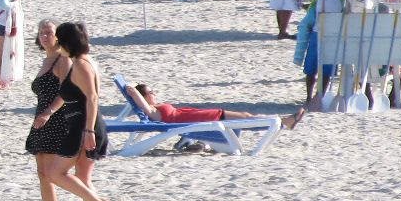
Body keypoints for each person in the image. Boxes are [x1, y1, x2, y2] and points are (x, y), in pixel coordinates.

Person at [23, 21, 110, 201]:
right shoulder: (80, 61)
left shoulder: (78, 63)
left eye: (56, 36)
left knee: (55, 173)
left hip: (82, 124)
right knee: (81, 176)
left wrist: (89, 130)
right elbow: (73, 94)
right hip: (80, 123)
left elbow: (92, 97)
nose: (54, 40)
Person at [128, 82, 305, 132]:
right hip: (200, 119)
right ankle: (284, 121)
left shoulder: (156, 107)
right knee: (246, 119)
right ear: (144, 97)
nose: (154, 94)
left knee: (245, 115)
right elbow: (132, 91)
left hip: (200, 115)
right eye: (150, 92)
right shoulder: (152, 112)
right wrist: (132, 89)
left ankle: (282, 121)